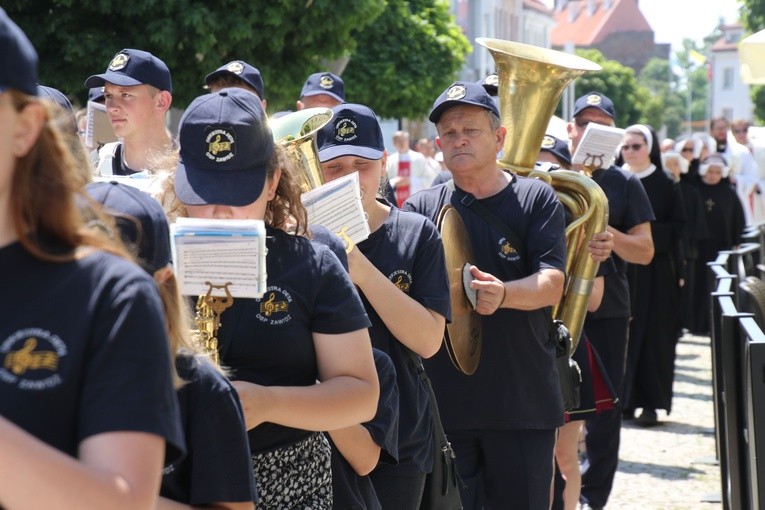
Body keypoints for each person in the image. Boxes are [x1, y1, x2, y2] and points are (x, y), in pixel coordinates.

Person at [0, 9, 184, 509]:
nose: (114, 105)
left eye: (128, 95)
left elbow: (124, 500)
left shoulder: (112, 297)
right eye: (109, 96)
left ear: (26, 128)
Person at [172, 87, 379, 509]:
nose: (220, 210)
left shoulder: (313, 266)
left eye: (238, 191)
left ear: (272, 183)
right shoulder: (153, 262)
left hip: (289, 483)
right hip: (178, 480)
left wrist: (266, 402)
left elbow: (361, 394)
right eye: (204, 192)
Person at [403, 81, 568, 509]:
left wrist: (504, 294)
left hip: (522, 403)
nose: (458, 140)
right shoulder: (420, 208)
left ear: (499, 138)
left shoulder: (536, 198)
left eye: (470, 130)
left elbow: (553, 282)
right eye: (449, 133)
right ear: (438, 144)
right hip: (445, 406)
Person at [85, 180, 259, 510]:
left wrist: (108, 497)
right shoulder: (42, 367)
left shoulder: (201, 390)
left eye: (119, 287)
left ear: (163, 284)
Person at [317, 103, 451, 508]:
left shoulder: (415, 234)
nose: (350, 178)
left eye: (362, 164)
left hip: (401, 435)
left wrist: (359, 268)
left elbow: (429, 341)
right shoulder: (302, 236)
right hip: (320, 426)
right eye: (335, 167)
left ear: (384, 165)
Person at [566, 92, 655, 510]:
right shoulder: (552, 173)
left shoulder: (624, 182)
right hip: (554, 303)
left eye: (601, 125)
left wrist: (610, 237)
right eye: (583, 123)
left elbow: (646, 250)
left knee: (603, 408)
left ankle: (592, 497)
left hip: (607, 310)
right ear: (571, 129)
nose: (590, 132)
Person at [537, 134, 617, 510]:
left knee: (564, 456)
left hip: (561, 343)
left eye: (551, 165)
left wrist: (571, 272)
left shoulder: (582, 222)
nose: (541, 174)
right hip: (512, 343)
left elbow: (597, 298)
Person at [615, 124, 686, 427]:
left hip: (655, 272)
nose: (630, 151)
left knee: (654, 338)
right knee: (621, 337)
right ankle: (623, 400)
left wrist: (636, 234)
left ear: (650, 147)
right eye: (626, 146)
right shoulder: (614, 180)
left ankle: (650, 403)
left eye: (637, 146)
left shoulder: (665, 182)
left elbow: (679, 228)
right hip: (620, 267)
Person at [84, 48, 175, 178]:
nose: (111, 108)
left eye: (125, 95)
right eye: (108, 95)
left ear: (161, 102)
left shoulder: (189, 169)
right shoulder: (96, 165)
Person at [691, 154, 746, 335]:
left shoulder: (728, 192)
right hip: (700, 247)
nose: (713, 175)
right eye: (710, 171)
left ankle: (717, 325)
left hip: (721, 247)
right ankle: (697, 324)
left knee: (719, 286)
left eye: (717, 172)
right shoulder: (695, 189)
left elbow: (738, 219)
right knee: (699, 285)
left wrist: (737, 241)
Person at [662, 151, 708, 334]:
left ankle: (684, 323)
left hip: (687, 248)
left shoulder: (691, 191)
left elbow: (697, 221)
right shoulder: (663, 187)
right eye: (669, 164)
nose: (672, 168)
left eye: (675, 164)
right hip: (668, 247)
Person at [386, 130, 434, 207]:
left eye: (404, 140)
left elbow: (429, 179)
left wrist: (411, 181)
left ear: (408, 141)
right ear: (394, 143)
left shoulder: (419, 158)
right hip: (395, 202)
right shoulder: (390, 160)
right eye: (398, 141)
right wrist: (395, 182)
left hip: (415, 201)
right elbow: (384, 181)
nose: (402, 143)